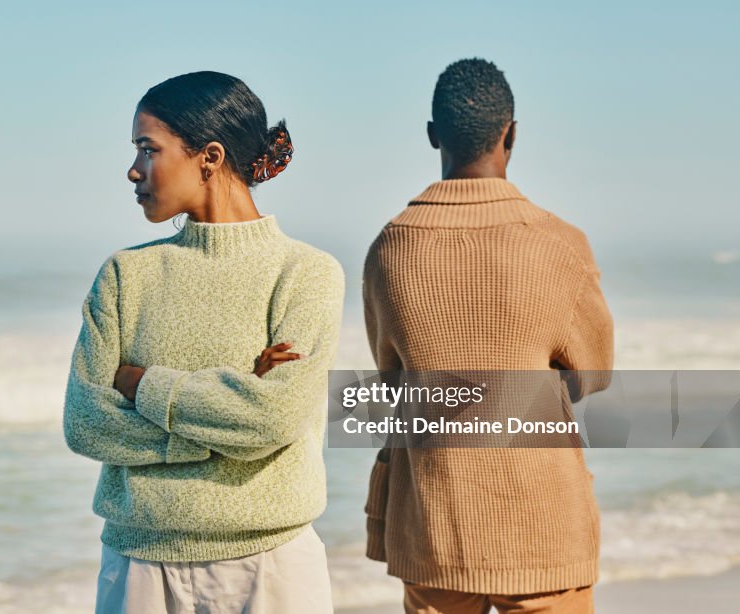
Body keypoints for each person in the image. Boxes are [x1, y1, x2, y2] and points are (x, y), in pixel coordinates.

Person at [63, 71, 343, 614]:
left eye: (149, 150)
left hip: (271, 565)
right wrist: (224, 424)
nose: (134, 169)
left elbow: (272, 418)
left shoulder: (305, 274)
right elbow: (84, 423)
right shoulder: (125, 275)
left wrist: (141, 383)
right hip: (138, 563)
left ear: (208, 157)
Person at [362, 58, 614, 613]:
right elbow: (592, 373)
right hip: (542, 523)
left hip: (433, 522)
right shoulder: (560, 244)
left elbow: (393, 379)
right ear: (512, 133)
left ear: (432, 136)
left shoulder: (390, 247)